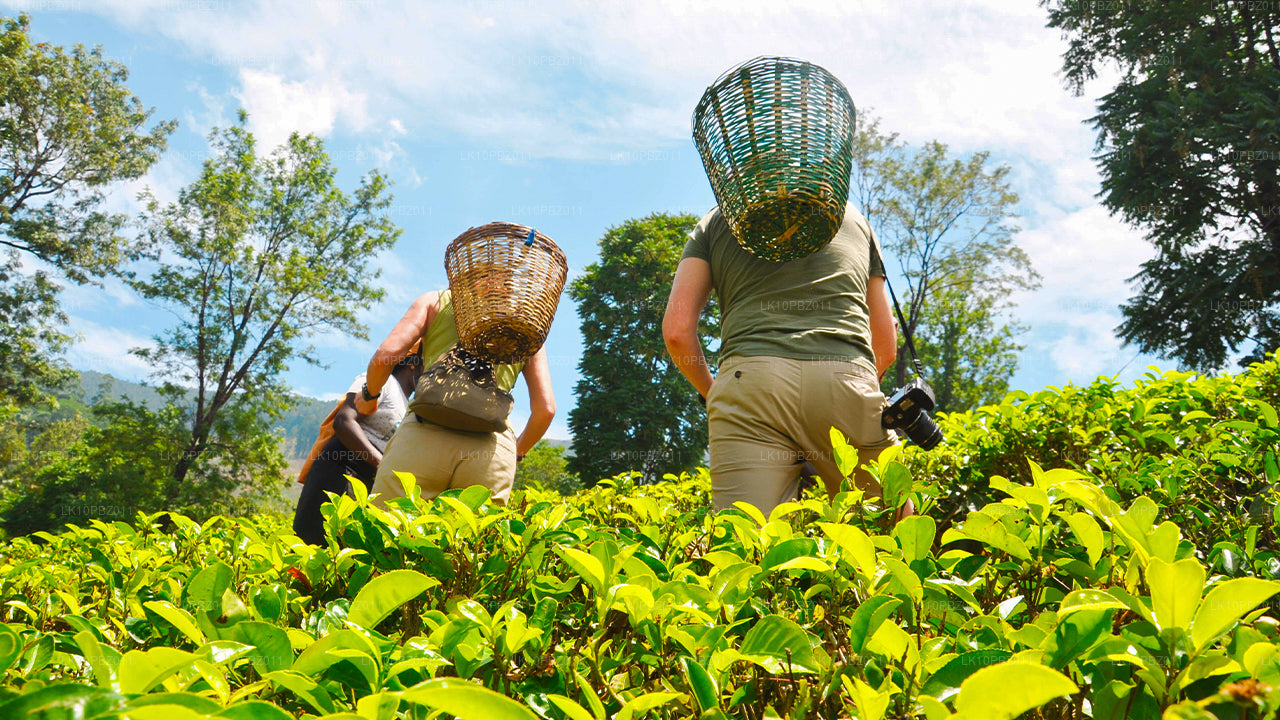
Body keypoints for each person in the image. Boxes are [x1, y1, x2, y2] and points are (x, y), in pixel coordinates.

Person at [662, 201, 908, 519]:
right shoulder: (854, 218)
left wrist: (715, 396)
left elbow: (677, 332)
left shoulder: (715, 220)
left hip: (749, 385)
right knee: (890, 535)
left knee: (746, 549)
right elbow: (886, 345)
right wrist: (849, 390)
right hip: (845, 377)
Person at [357, 287, 555, 505]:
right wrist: (516, 453)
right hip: (490, 449)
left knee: (387, 530)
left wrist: (369, 396)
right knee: (475, 537)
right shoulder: (526, 325)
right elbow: (545, 410)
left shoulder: (436, 300)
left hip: (423, 434)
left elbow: (386, 355)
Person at [292, 352, 421, 545]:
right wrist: (381, 463)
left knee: (344, 561)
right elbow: (344, 421)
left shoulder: (409, 407)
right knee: (314, 550)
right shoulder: (382, 382)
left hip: (366, 486)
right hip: (340, 474)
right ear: (413, 362)